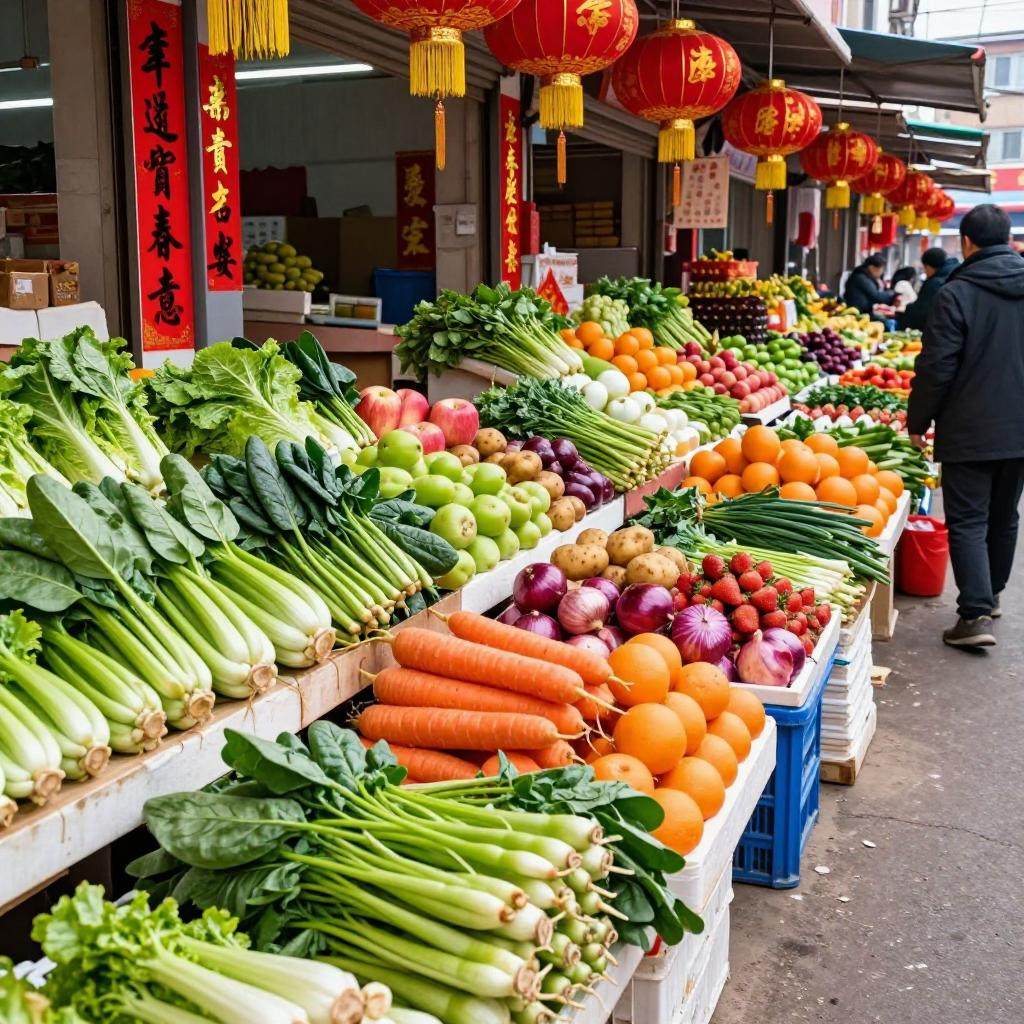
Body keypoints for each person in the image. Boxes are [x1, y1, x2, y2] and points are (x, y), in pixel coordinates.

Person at [908, 204, 1024, 648]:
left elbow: (937, 366)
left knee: (969, 519)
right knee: (1004, 515)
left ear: (967, 242)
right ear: (1008, 240)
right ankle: (989, 597)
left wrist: (918, 420)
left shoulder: (956, 293)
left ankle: (975, 614)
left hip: (970, 427)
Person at [898, 247, 960, 332]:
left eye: (925, 268)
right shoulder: (957, 274)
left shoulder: (934, 283)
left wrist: (906, 310)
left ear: (928, 266)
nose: (925, 272)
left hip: (937, 332)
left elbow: (920, 314)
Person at [843, 253, 895, 321]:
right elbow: (876, 296)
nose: (881, 273)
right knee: (885, 321)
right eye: (881, 270)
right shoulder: (861, 278)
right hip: (858, 312)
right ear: (872, 267)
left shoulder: (863, 276)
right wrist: (892, 294)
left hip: (862, 310)